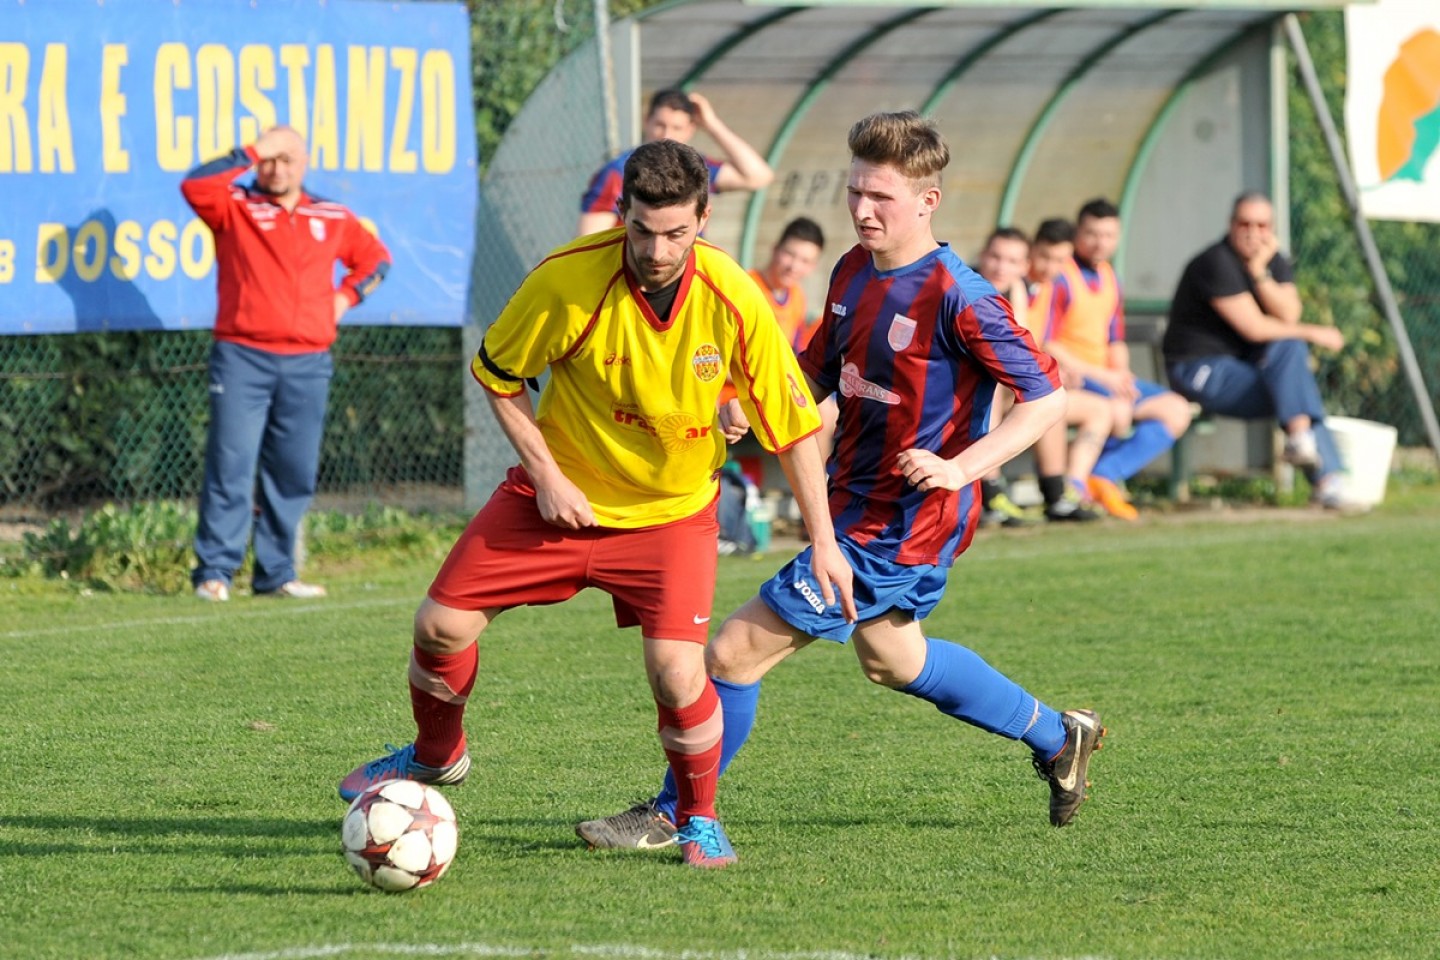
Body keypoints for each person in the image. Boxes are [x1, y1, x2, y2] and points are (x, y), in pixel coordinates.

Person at [575, 112, 1107, 854]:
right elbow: (814, 375)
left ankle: (675, 812)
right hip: (856, 498)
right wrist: (747, 407)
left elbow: (1044, 398)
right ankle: (1059, 736)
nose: (862, 210)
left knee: (730, 654)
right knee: (894, 660)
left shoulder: (961, 294)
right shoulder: (853, 270)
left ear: (928, 201)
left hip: (903, 522)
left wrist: (960, 466)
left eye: (881, 198)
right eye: (857, 191)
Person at [337, 139, 854, 870]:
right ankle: (435, 756)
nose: (657, 248)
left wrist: (824, 540)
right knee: (440, 626)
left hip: (671, 512)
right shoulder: (567, 280)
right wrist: (547, 475)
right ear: (622, 213)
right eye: (642, 229)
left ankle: (698, 819)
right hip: (559, 499)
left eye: (676, 231)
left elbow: (796, 429)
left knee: (679, 675)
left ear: (704, 218)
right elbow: (498, 373)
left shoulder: (736, 297)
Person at [182, 125, 391, 602]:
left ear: (305, 162)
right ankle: (215, 570)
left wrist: (346, 297)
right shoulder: (234, 206)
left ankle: (276, 573)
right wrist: (254, 148)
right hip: (243, 358)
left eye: (286, 159)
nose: (277, 169)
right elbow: (195, 184)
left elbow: (376, 260)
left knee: (293, 471)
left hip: (308, 362)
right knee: (231, 464)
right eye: (269, 160)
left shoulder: (331, 214)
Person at [1162, 192, 1355, 509]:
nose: (1253, 232)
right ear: (1231, 224)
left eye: (1261, 224)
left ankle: (1307, 450)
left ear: (1272, 227)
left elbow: (1288, 314)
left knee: (1291, 362)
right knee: (1298, 392)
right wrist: (1315, 332)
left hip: (1239, 368)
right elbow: (1253, 327)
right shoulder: (1214, 262)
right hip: (1197, 370)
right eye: (1245, 223)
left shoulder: (1271, 260)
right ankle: (1327, 478)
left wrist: (1259, 273)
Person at [1041, 199, 1193, 520]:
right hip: (1076, 379)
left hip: (1105, 379)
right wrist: (1108, 381)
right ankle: (1078, 486)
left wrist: (1121, 379)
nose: (1100, 242)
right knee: (1111, 413)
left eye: (1108, 235)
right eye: (1092, 233)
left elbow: (1115, 339)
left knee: (1177, 410)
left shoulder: (1111, 277)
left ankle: (1105, 475)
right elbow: (1048, 342)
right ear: (1077, 233)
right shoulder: (1061, 275)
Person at [975, 227, 1106, 525]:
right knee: (996, 391)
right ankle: (990, 493)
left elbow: (1020, 347)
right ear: (983, 256)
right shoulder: (964, 289)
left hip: (1000, 390)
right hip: (960, 394)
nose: (1001, 267)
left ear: (1023, 266)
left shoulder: (1019, 290)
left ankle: (1058, 493)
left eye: (1011, 261)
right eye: (995, 257)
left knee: (1050, 396)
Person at [577, 89, 774, 237]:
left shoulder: (697, 169)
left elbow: (759, 176)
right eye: (660, 125)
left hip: (687, 282)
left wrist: (712, 124)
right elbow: (590, 242)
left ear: (690, 130)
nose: (666, 135)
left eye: (677, 128)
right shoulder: (618, 174)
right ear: (646, 121)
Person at [748, 216, 826, 352]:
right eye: (790, 254)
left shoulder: (797, 296)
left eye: (805, 261)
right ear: (775, 249)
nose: (794, 266)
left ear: (813, 266)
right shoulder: (747, 287)